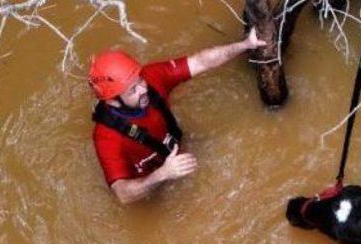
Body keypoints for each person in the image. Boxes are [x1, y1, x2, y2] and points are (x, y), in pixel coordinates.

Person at [89, 28, 266, 204]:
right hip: (152, 184)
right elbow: (122, 194)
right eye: (133, 90)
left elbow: (200, 62)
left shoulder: (152, 77)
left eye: (140, 80)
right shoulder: (107, 137)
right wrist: (163, 174)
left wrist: (245, 45)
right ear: (113, 101)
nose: (144, 89)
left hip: (175, 153)